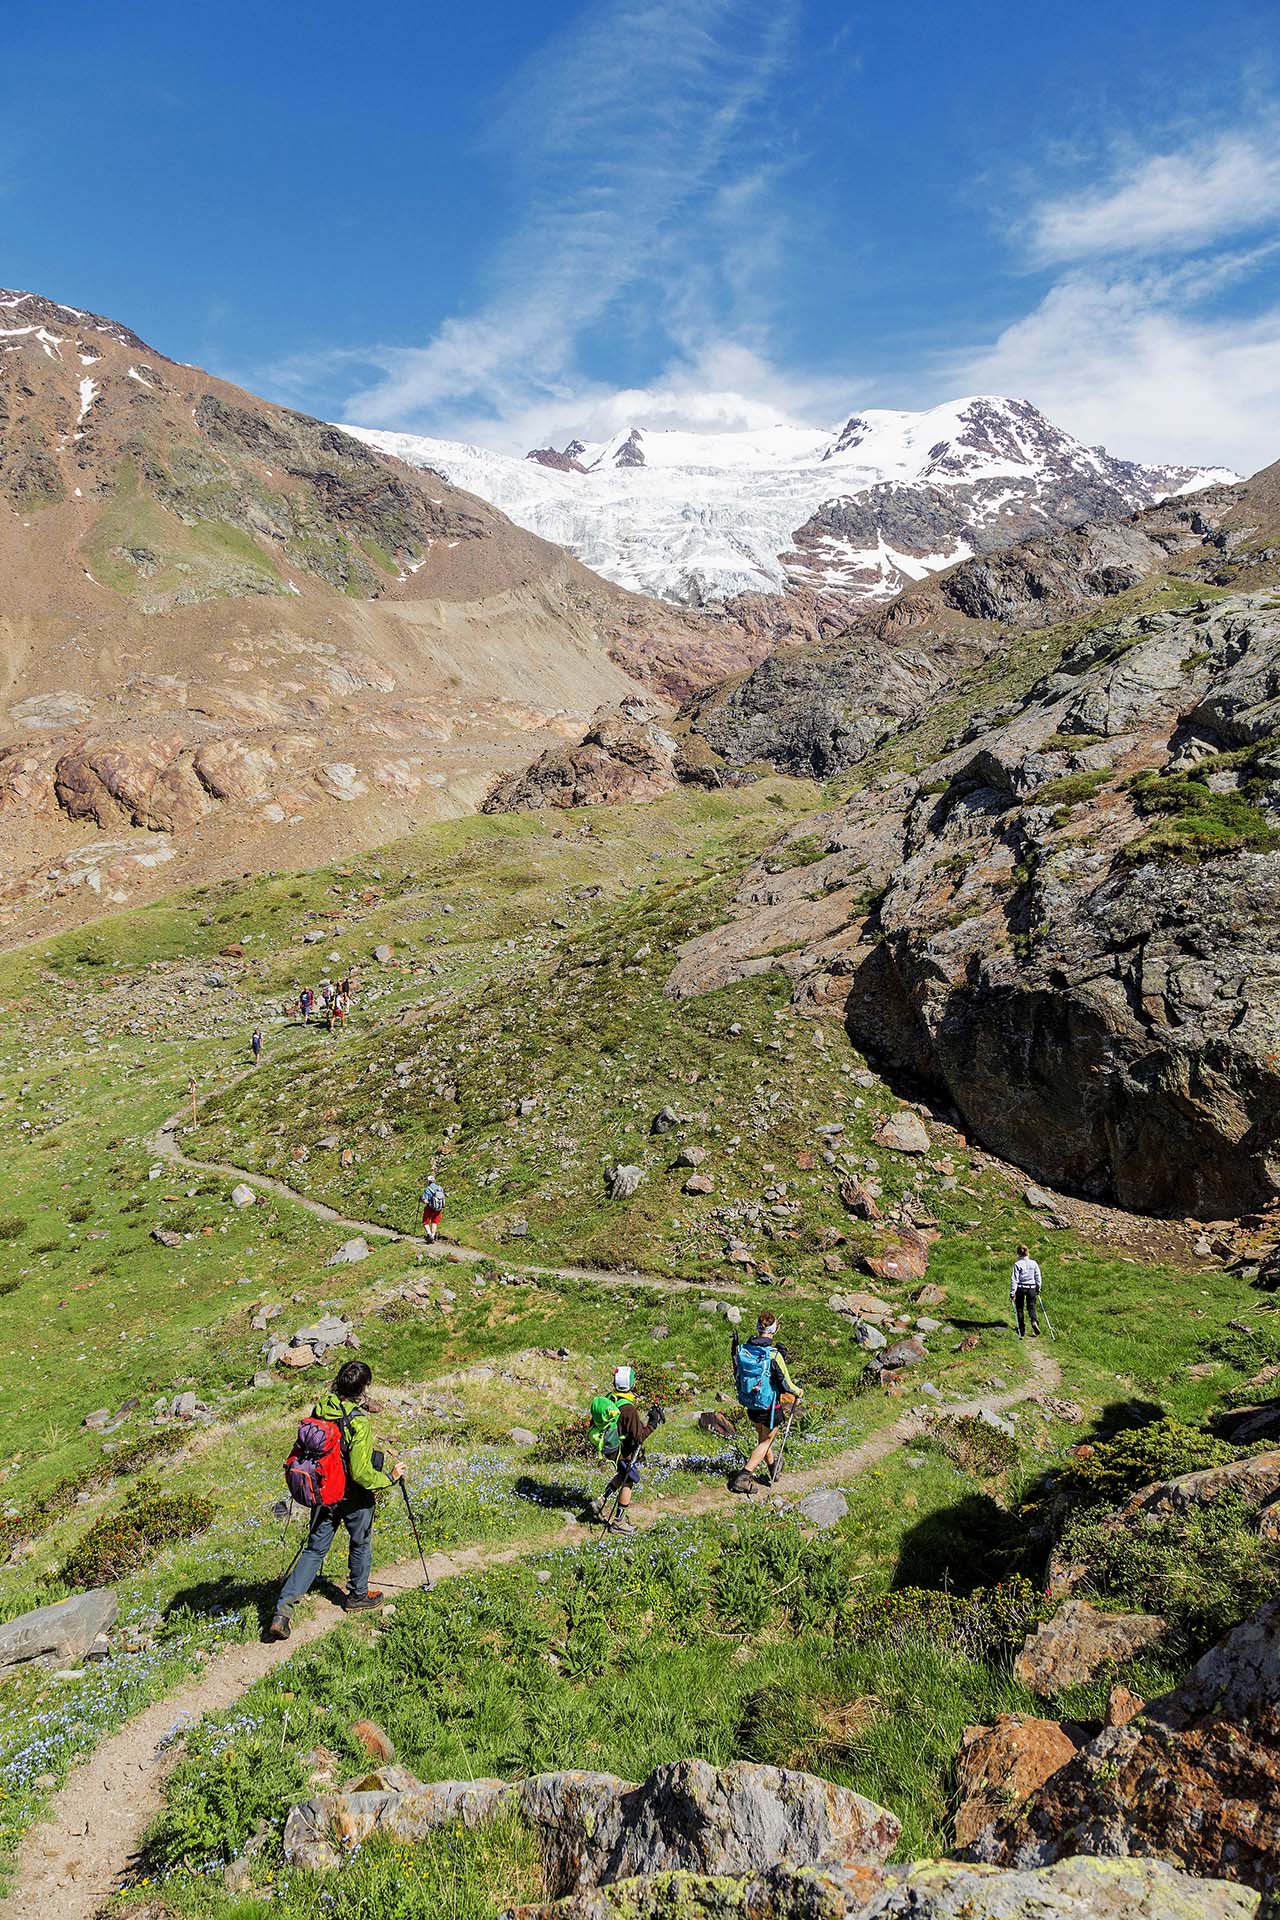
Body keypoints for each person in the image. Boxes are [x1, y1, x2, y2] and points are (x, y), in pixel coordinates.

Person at [267, 1360, 404, 1641]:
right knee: (360, 1542)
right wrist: (390, 1477)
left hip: (322, 1491)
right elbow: (363, 1474)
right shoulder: (358, 1421)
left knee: (314, 1551)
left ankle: (283, 1611)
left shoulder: (321, 1408)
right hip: (352, 1494)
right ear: (363, 1389)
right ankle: (357, 1595)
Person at [728, 1313, 803, 1494]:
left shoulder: (743, 1350)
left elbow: (736, 1371)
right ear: (774, 1330)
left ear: (757, 1328)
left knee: (763, 1439)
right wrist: (799, 1392)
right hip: (769, 1406)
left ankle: (773, 1467)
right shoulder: (773, 1355)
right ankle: (744, 1477)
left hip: (750, 1403)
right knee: (767, 1442)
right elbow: (786, 1384)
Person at [585, 1365, 663, 1533]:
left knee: (621, 1474)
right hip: (624, 1452)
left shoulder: (611, 1399)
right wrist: (653, 1424)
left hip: (612, 1449)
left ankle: (600, 1501)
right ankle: (619, 1523)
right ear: (631, 1384)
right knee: (629, 1480)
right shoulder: (629, 1409)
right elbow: (639, 1436)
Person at [1010, 1244, 1043, 1337]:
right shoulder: (1034, 1263)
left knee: (1019, 1308)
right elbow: (1038, 1276)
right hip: (1031, 1287)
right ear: (1028, 1252)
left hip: (1021, 1287)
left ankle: (1022, 1329)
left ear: (1018, 1253)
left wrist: (1012, 1292)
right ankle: (1034, 1321)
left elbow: (1014, 1279)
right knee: (1031, 1306)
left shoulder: (1017, 1264)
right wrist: (1038, 1287)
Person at [421, 1173, 446, 1242]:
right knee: (434, 1222)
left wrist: (421, 1200)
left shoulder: (427, 1189)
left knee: (425, 1222)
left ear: (428, 1182)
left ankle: (429, 1234)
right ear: (434, 1181)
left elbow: (425, 1200)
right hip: (439, 1208)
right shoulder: (440, 1188)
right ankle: (433, 1235)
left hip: (430, 1208)